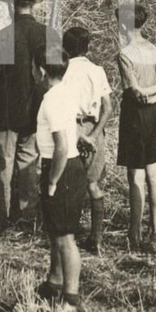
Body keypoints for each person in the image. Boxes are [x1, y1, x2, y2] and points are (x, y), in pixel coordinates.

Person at [0, 0, 56, 231]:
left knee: (3, 164)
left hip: (7, 111)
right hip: (38, 110)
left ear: (12, 6)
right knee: (28, 163)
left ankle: (1, 217)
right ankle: (27, 216)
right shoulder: (48, 35)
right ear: (32, 6)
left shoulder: (4, 36)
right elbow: (55, 76)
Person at [116, 4, 156, 250]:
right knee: (153, 173)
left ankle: (134, 232)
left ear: (122, 25)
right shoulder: (155, 50)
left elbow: (134, 91)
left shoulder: (125, 54)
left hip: (134, 116)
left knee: (135, 176)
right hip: (153, 115)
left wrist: (146, 93)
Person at [34, 56, 85, 310]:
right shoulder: (64, 92)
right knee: (56, 233)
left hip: (61, 169)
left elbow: (62, 147)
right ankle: (54, 282)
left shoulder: (51, 100)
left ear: (41, 71)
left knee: (65, 238)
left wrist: (52, 180)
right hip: (65, 167)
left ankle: (71, 298)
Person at [61, 26, 114, 255]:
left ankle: (68, 235)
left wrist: (77, 135)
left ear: (65, 47)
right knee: (93, 184)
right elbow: (108, 108)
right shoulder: (97, 70)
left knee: (68, 184)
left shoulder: (63, 71)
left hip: (71, 127)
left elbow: (60, 106)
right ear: (87, 47)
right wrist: (93, 135)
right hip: (94, 128)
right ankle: (96, 237)